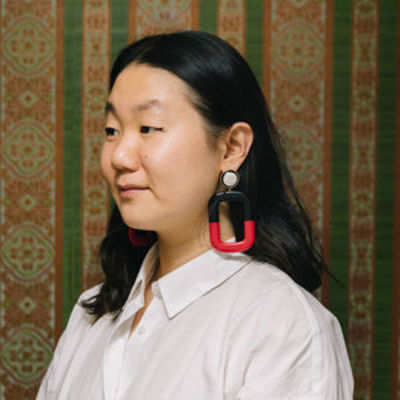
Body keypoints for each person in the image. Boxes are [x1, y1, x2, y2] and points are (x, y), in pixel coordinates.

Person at [37, 31, 354, 399]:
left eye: (148, 128)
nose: (119, 157)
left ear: (232, 147)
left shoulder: (283, 325)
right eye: (111, 130)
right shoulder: (92, 314)